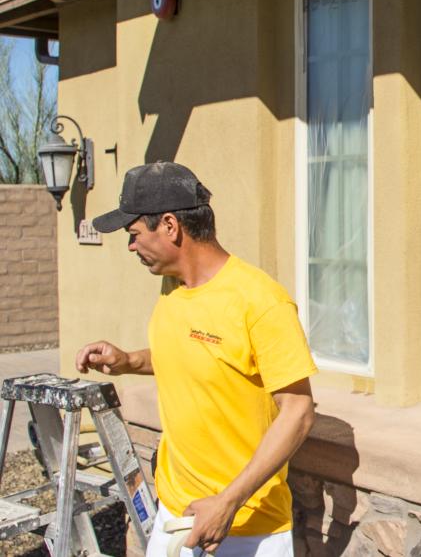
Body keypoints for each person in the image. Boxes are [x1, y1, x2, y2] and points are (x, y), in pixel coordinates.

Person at [76, 161, 317, 557]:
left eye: (134, 234)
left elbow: (298, 411)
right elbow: (197, 355)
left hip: (244, 528)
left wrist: (227, 502)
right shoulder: (173, 288)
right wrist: (128, 361)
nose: (131, 247)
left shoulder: (260, 301)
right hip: (174, 515)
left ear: (170, 225)